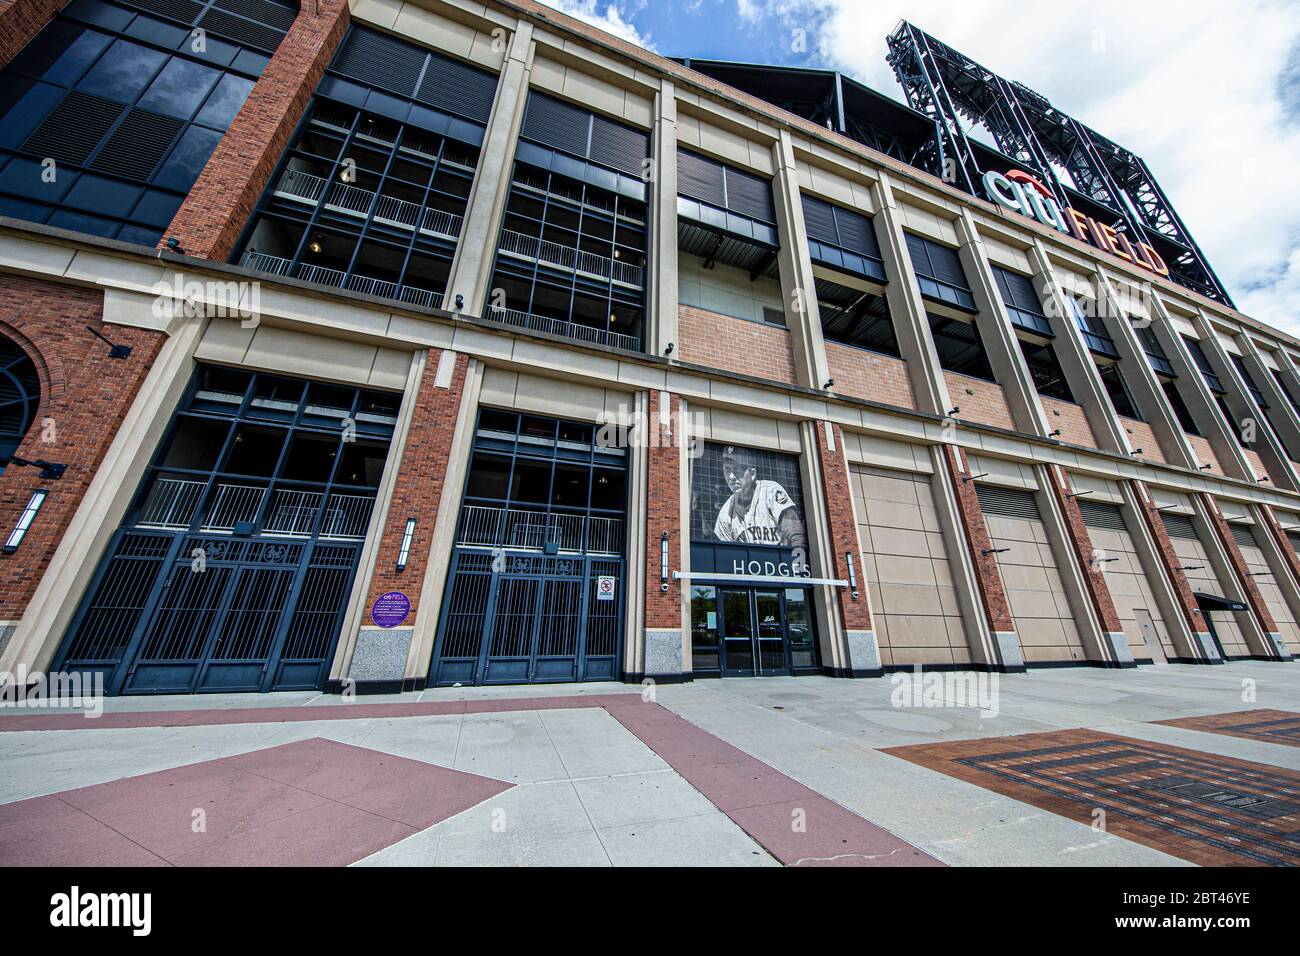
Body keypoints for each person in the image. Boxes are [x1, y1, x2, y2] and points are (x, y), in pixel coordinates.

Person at [713, 446, 807, 573]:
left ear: (752, 473)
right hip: (752, 576)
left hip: (783, 569)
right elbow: (727, 559)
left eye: (737, 469)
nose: (731, 476)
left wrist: (799, 569)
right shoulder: (725, 514)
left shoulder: (770, 492)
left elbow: (797, 536)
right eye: (727, 469)